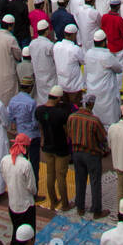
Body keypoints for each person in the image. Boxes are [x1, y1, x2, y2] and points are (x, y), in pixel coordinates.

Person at [66, 92, 109, 220]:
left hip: (77, 153)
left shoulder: (72, 117)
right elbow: (102, 138)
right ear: (91, 104)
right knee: (95, 182)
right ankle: (96, 210)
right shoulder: (94, 121)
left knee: (79, 180)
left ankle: (80, 207)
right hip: (92, 154)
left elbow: (68, 133)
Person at [36, 84, 72, 213]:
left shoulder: (39, 110)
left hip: (47, 147)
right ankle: (65, 204)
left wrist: (43, 139)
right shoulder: (61, 113)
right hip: (61, 148)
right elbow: (66, 130)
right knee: (61, 176)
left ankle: (53, 201)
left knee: (50, 174)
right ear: (58, 99)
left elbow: (40, 126)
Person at [0, 133, 38, 237]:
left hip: (12, 204)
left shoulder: (4, 160)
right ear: (25, 147)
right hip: (26, 206)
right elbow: (32, 188)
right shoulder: (26, 164)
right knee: (28, 235)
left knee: (16, 232)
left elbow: (4, 177)